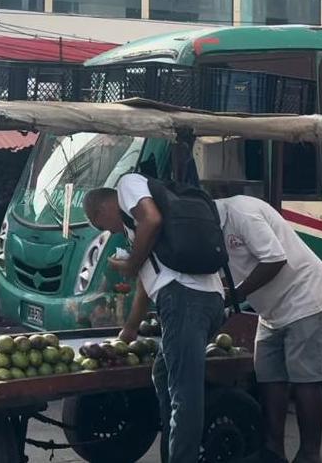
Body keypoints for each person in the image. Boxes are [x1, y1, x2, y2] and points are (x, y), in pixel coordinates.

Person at [82, 174, 225, 463]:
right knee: (163, 374)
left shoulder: (128, 185)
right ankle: (171, 452)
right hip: (207, 300)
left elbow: (152, 219)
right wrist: (130, 329)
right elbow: (149, 283)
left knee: (184, 395)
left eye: (102, 227)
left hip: (185, 300)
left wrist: (132, 264)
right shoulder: (142, 236)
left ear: (101, 211)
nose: (111, 232)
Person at [215, 194, 322, 463]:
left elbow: (274, 260)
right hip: (270, 311)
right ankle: (273, 451)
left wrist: (234, 296)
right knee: (269, 379)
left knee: (305, 380)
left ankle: (309, 454)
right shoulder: (211, 230)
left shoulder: (242, 213)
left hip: (306, 299)